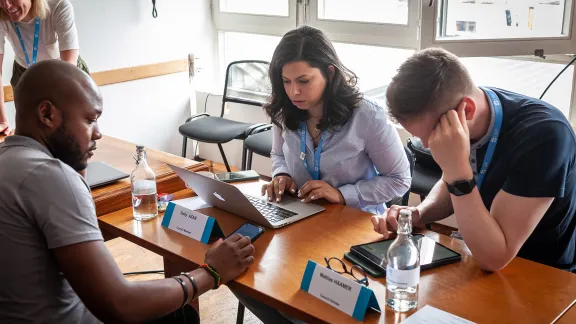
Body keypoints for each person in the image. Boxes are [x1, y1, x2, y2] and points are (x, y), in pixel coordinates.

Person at [0, 60, 255, 323]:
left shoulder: (11, 162)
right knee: (182, 317)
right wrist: (211, 272)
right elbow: (121, 305)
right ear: (47, 114)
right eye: (90, 120)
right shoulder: (49, 177)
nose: (98, 133)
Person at [372, 47, 576, 272]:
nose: (428, 145)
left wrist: (458, 172)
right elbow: (452, 179)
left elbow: (495, 258)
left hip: (541, 274)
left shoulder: (545, 137)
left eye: (429, 134)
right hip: (478, 255)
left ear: (467, 110)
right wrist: (419, 213)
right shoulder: (472, 113)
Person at [262, 25, 411, 215]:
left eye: (304, 81)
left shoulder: (367, 115)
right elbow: (279, 154)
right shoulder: (284, 108)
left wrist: (342, 194)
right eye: (286, 81)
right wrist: (282, 174)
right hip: (301, 214)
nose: (294, 91)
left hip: (356, 219)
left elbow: (399, 179)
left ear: (330, 73)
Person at [0, 0, 89, 135]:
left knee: (72, 132)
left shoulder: (58, 6)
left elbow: (69, 65)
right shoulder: (1, 13)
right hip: (24, 72)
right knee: (31, 133)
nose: (6, 5)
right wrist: (2, 121)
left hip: (64, 73)